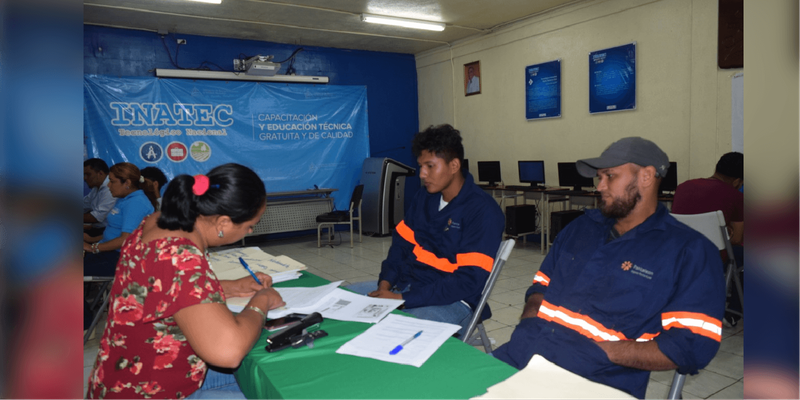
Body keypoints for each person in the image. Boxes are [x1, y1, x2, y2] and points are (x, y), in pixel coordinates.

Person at [492, 137, 726, 399]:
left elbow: (691, 345)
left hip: (594, 380)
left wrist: (602, 351)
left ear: (647, 176)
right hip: (520, 354)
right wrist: (529, 320)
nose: (600, 186)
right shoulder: (581, 228)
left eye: (610, 176)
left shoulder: (689, 252)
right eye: (599, 177)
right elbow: (541, 285)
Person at [87, 163, 285, 399]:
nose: (250, 232)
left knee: (267, 377)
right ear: (223, 223)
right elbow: (227, 351)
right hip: (151, 389)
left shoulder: (158, 222)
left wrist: (232, 287)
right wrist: (260, 303)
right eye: (250, 226)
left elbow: (161, 290)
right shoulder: (181, 257)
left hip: (119, 377)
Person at [346, 124, 504, 336]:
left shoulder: (483, 211)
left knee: (388, 334)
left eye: (430, 166)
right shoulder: (424, 198)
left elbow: (467, 281)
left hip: (454, 302)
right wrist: (385, 285)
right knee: (341, 301)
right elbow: (400, 248)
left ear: (454, 165)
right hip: (407, 287)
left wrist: (402, 300)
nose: (422, 174)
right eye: (421, 166)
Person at [671, 151, 744, 325]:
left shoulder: (683, 187)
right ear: (736, 181)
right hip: (713, 257)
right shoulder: (736, 196)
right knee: (743, 255)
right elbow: (736, 239)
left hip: (677, 254)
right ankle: (733, 313)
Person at [83, 163, 155, 276]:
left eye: (112, 181)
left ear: (127, 183)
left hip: (121, 258)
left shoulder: (136, 203)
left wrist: (93, 248)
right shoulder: (124, 198)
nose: (108, 185)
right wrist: (92, 240)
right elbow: (115, 231)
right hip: (109, 251)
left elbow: (125, 240)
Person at [84, 158, 117, 237]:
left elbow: (96, 217)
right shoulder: (96, 188)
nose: (85, 178)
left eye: (88, 174)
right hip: (97, 229)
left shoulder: (110, 189)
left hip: (106, 232)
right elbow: (84, 204)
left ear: (100, 173)